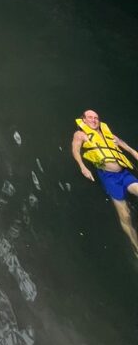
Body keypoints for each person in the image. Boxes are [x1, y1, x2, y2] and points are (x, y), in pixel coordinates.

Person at [72, 109, 138, 255]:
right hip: (109, 178)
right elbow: (76, 150)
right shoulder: (80, 134)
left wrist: (134, 153)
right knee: (125, 215)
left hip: (123, 173)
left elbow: (122, 144)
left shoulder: (107, 133)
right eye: (90, 117)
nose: (94, 120)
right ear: (83, 120)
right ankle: (136, 245)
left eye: (96, 117)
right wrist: (82, 167)